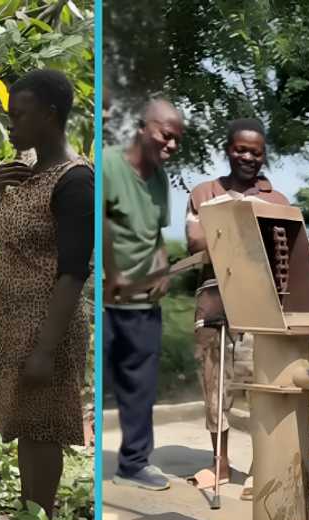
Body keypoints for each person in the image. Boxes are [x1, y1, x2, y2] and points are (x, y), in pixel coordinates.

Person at [0, 69, 94, 520]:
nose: (11, 125)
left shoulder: (74, 181)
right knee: (25, 423)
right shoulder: (21, 170)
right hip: (12, 323)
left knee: (43, 428)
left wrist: (45, 348)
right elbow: (1, 242)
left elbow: (72, 272)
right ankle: (31, 518)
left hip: (49, 327)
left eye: (19, 115)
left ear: (49, 116)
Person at [183, 118, 289, 489]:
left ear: (263, 156)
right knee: (215, 388)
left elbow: (284, 254)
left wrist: (228, 231)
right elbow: (197, 242)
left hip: (261, 308)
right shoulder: (203, 193)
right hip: (214, 304)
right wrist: (247, 227)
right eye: (241, 149)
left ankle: (264, 467)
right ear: (228, 149)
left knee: (263, 389)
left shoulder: (278, 201)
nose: (248, 157)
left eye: (255, 152)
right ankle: (220, 464)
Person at [103, 99, 184, 491]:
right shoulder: (107, 165)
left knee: (141, 388)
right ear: (142, 127)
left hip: (142, 305)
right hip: (103, 303)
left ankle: (133, 464)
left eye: (176, 141)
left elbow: (155, 237)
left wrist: (162, 269)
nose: (171, 145)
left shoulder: (160, 181)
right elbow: (97, 221)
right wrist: (111, 274)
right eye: (166, 135)